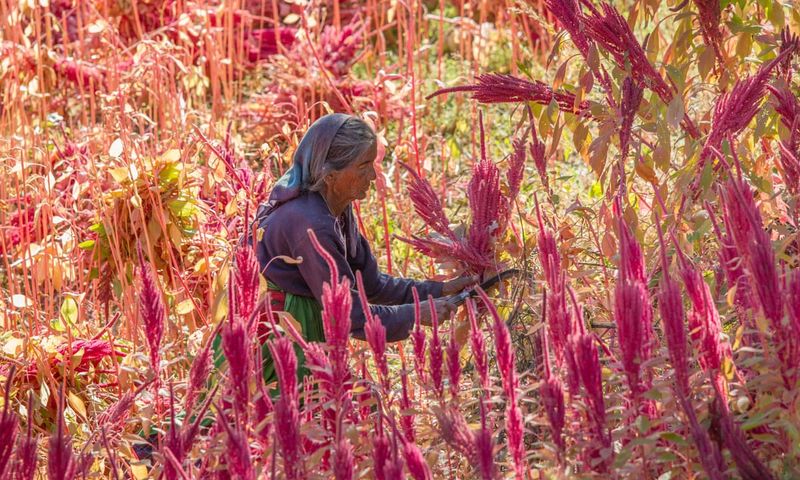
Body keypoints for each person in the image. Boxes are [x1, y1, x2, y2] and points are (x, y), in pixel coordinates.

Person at [249, 113, 475, 383]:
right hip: (279, 336)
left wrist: (439, 289)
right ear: (330, 174)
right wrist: (417, 313)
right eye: (364, 165)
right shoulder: (311, 224)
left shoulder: (338, 209)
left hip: (304, 324)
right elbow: (349, 317)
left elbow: (372, 285)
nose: (372, 174)